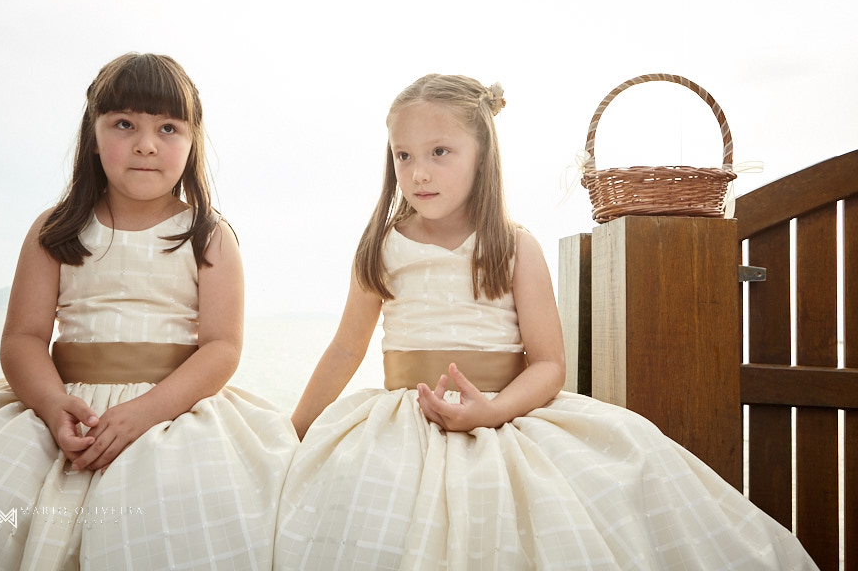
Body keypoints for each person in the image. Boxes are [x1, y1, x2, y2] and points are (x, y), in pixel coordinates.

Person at [274, 74, 816, 570]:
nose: (418, 171)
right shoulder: (381, 247)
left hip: (506, 412)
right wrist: (295, 434)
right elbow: (346, 350)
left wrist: (493, 411)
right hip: (404, 421)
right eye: (403, 155)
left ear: (482, 155)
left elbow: (549, 364)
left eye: (440, 151)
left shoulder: (512, 247)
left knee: (617, 476)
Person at [0, 53, 297, 570]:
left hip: (170, 410)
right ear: (93, 133)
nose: (146, 144)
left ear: (193, 139)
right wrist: (51, 404)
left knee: (177, 518)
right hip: (66, 407)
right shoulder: (58, 228)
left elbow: (222, 348)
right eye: (124, 124)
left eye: (168, 127)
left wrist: (145, 412)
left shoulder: (207, 233)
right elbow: (22, 337)